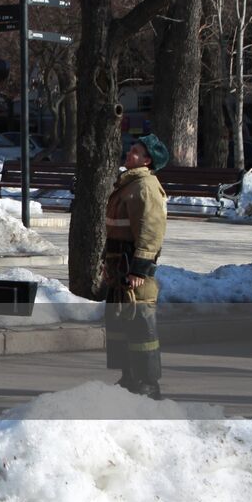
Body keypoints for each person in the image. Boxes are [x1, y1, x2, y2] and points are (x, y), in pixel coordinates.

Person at [103, 133, 169, 399]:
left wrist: (140, 269)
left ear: (147, 160)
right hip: (121, 267)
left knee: (142, 327)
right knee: (122, 326)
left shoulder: (145, 186)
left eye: (135, 151)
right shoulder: (130, 184)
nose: (129, 153)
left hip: (134, 270)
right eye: (131, 149)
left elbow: (151, 231)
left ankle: (148, 384)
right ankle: (129, 377)